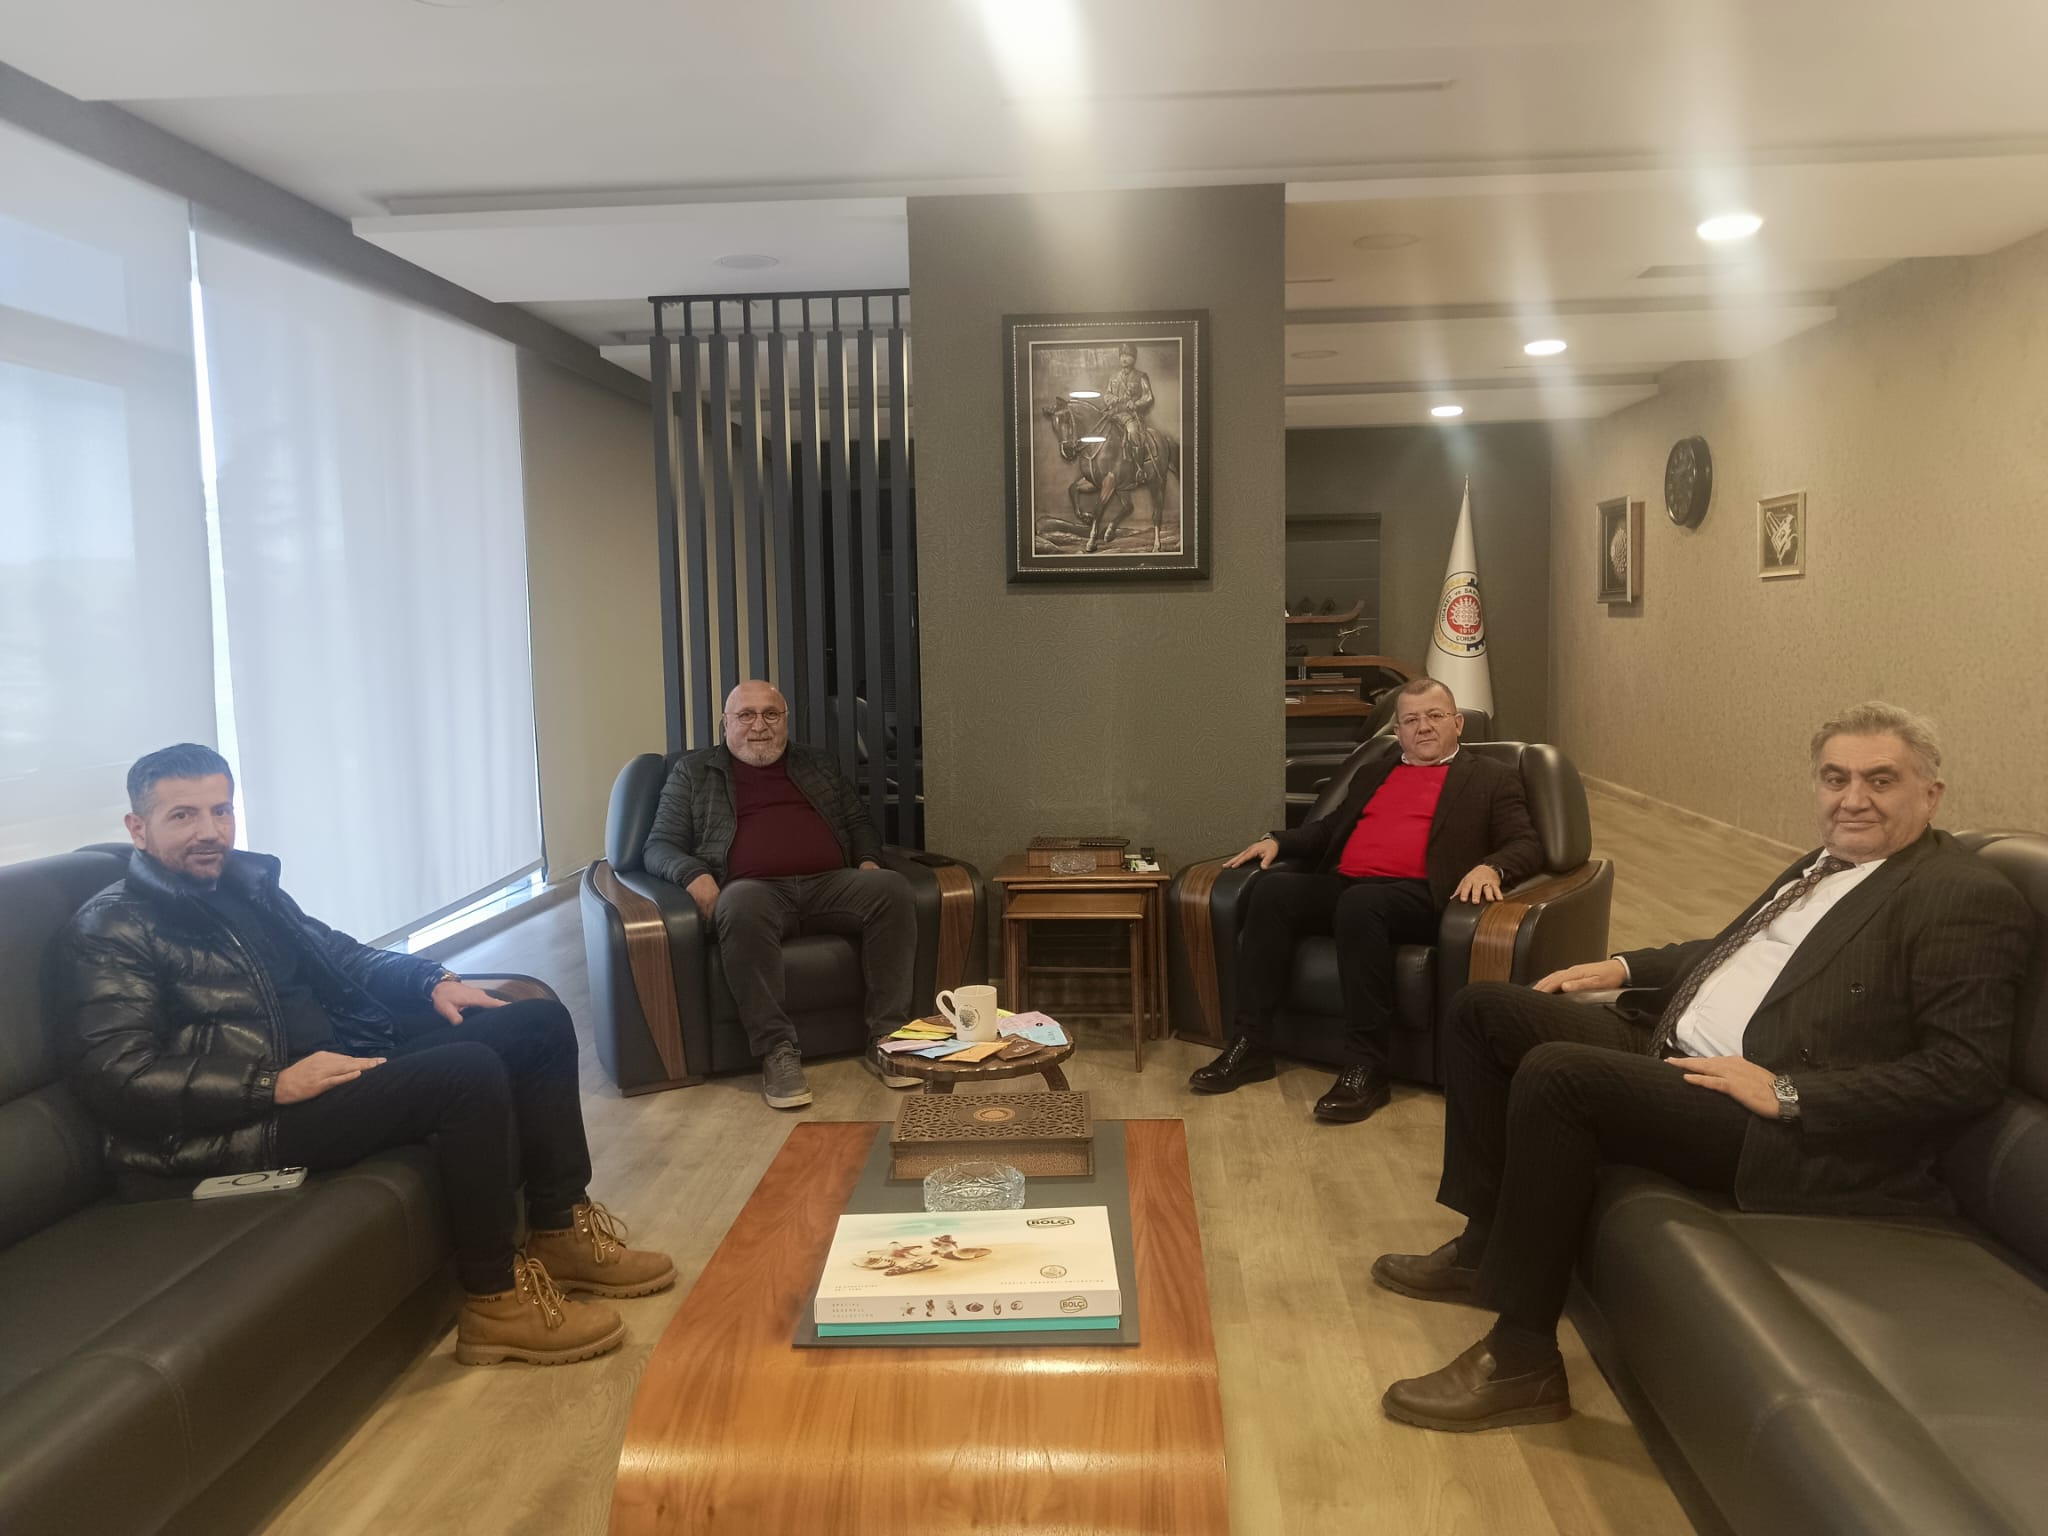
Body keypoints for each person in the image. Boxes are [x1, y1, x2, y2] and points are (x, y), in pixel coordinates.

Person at [1371, 702, 2030, 1432]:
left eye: (1881, 780)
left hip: (1769, 1119)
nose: (1852, 799)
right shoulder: (1824, 863)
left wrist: (1791, 1092)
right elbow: (1730, 951)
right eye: (1835, 778)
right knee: (1482, 1011)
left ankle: (1522, 1359)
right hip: (1676, 1050)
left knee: (1560, 1075)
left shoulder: (1960, 895)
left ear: (1930, 794)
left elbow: (1964, 1071)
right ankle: (1483, 1244)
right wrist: (1622, 966)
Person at [56, 744, 674, 1369]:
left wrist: (430, 980)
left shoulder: (246, 886)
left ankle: (561, 1230)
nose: (210, 831)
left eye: (221, 810)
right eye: (183, 816)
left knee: (537, 1023)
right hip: (243, 1123)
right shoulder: (110, 929)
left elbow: (341, 954)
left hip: (333, 1067)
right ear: (138, 828)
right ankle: (495, 1304)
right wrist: (269, 1083)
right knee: (466, 1074)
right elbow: (116, 1072)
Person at [1189, 677, 1541, 1122]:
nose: (1423, 727)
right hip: (1348, 885)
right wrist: (1279, 841)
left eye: (1434, 716)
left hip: (1421, 895)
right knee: (1273, 890)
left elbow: (1526, 843)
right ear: (1398, 731)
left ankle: (1366, 1067)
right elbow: (1329, 828)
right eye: (1411, 720)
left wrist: (1492, 867)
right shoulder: (1376, 770)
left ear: (1457, 723)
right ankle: (1252, 1044)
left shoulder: (1491, 776)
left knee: (1361, 904)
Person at [643, 679, 919, 1110]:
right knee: (739, 903)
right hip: (755, 891)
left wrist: (867, 860)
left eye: (771, 714)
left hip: (829, 883)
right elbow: (659, 845)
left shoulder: (818, 764)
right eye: (746, 715)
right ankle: (777, 1050)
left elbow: (858, 823)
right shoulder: (693, 773)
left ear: (786, 721)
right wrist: (693, 875)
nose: (759, 726)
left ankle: (888, 1037)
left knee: (891, 889)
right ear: (726, 723)